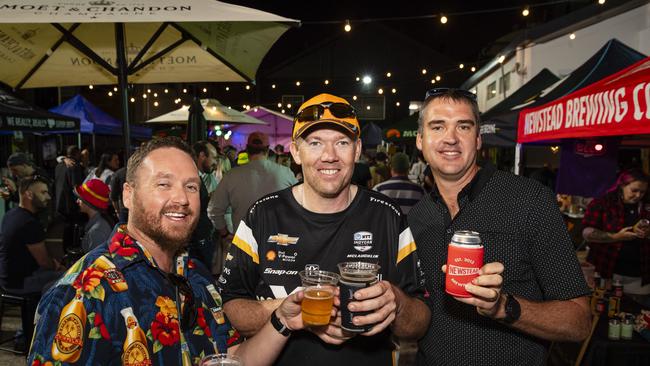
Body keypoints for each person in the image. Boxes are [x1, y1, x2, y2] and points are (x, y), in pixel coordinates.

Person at [28, 137, 311, 365]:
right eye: (163, 184)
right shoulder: (81, 293)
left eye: (191, 187)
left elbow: (233, 357)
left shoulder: (197, 277)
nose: (181, 199)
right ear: (128, 194)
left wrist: (283, 320)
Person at [219, 94, 430, 366]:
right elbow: (230, 307)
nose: (329, 157)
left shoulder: (386, 215)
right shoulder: (262, 215)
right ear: (296, 151)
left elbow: (420, 322)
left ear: (357, 150)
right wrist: (287, 311)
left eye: (342, 143)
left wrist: (397, 304)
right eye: (315, 143)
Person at [408, 88, 591, 365]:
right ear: (421, 140)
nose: (450, 138)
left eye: (464, 126)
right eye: (438, 126)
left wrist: (504, 307)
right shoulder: (418, 216)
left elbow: (578, 321)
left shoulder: (529, 200)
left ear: (478, 139)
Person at [0, 176, 64, 348]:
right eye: (43, 192)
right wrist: (57, 265)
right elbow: (44, 262)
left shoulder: (11, 214)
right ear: (28, 194)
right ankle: (43, 337)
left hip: (7, 278)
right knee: (68, 280)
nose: (48, 197)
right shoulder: (29, 223)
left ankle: (26, 333)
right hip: (20, 282)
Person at [208, 132, 297, 240]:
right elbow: (300, 206)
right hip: (278, 242)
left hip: (245, 244)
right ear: (268, 150)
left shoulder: (232, 175)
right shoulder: (285, 173)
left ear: (247, 149)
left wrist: (225, 234)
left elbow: (214, 210)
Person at [582, 169, 650, 297]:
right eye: (634, 190)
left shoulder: (647, 205)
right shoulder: (602, 203)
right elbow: (586, 233)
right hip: (606, 272)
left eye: (642, 192)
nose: (638, 195)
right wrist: (616, 236)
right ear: (622, 186)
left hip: (640, 278)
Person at [54, 145, 86, 248]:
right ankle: (70, 249)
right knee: (73, 230)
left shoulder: (59, 166)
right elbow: (76, 187)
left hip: (60, 202)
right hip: (70, 205)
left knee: (66, 228)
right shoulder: (74, 166)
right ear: (76, 154)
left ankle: (66, 249)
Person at [75, 179, 115, 253]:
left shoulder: (97, 232)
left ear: (89, 203)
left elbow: (94, 263)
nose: (77, 201)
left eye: (80, 198)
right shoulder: (101, 221)